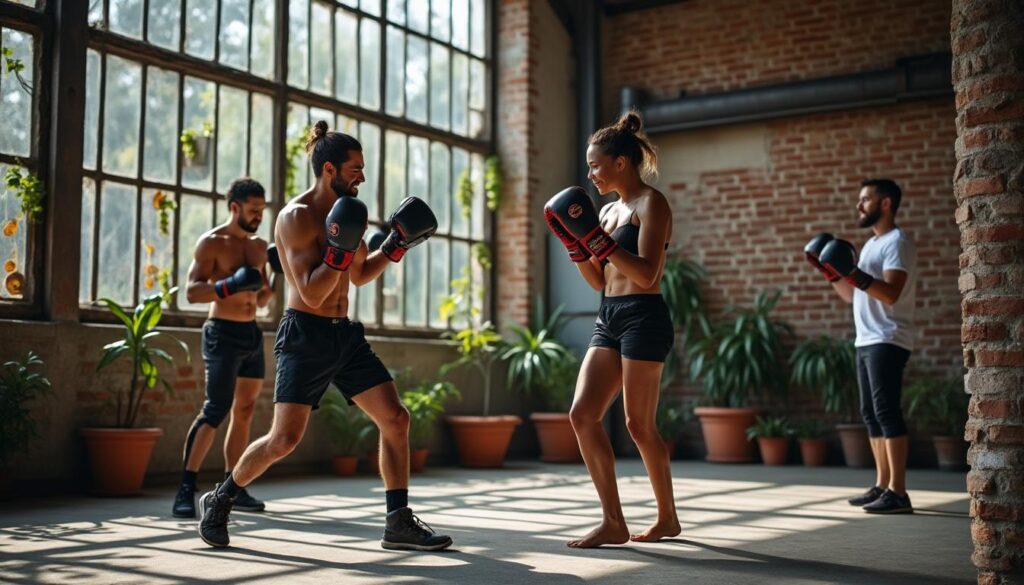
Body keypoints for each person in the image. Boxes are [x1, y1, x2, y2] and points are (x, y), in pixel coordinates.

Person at [197, 120, 452, 551]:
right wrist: (338, 249)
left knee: (396, 418)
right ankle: (222, 498)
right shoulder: (296, 217)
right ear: (329, 169)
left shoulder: (350, 213)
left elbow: (360, 274)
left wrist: (394, 246)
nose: (363, 177)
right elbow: (312, 294)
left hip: (345, 335)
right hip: (305, 334)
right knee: (284, 439)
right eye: (356, 168)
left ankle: (397, 521)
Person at [544, 111, 680, 548]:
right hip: (609, 315)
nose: (591, 174)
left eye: (596, 165)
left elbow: (645, 274)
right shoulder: (604, 212)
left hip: (644, 315)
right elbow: (599, 281)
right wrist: (576, 245)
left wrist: (598, 243)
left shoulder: (651, 204)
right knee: (582, 414)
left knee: (639, 426)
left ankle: (667, 518)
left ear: (621, 162)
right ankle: (613, 521)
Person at [804, 178, 917, 514]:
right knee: (870, 414)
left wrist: (852, 273)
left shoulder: (898, 242)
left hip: (888, 336)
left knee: (886, 412)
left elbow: (891, 293)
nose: (859, 205)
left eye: (866, 199)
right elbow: (854, 294)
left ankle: (899, 492)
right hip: (866, 337)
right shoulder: (870, 245)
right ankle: (882, 485)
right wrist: (832, 274)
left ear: (885, 203)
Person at [172, 178, 273, 519]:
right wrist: (228, 285)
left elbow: (260, 299)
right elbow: (191, 292)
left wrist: (272, 283)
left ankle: (234, 486)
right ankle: (186, 488)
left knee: (244, 411)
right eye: (253, 210)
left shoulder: (260, 247)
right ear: (234, 207)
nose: (259, 216)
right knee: (215, 409)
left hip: (251, 334)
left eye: (262, 210)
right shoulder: (212, 242)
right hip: (221, 333)